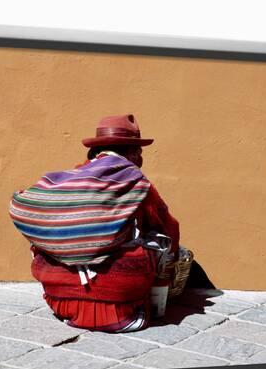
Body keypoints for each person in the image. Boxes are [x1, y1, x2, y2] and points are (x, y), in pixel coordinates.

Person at [10, 114, 180, 332]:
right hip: (120, 307)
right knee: (157, 243)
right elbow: (168, 228)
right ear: (133, 152)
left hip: (60, 302)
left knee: (47, 245)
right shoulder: (137, 183)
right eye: (139, 151)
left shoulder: (72, 180)